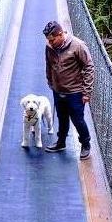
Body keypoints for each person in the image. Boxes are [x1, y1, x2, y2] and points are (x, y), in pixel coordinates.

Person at [42, 20, 94, 159]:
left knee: (78, 120)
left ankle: (85, 144)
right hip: (58, 90)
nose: (50, 42)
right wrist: (50, 81)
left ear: (60, 34)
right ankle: (61, 142)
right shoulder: (49, 47)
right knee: (62, 118)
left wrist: (86, 92)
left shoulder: (78, 45)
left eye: (52, 40)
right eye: (48, 40)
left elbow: (89, 67)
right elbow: (48, 64)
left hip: (75, 92)